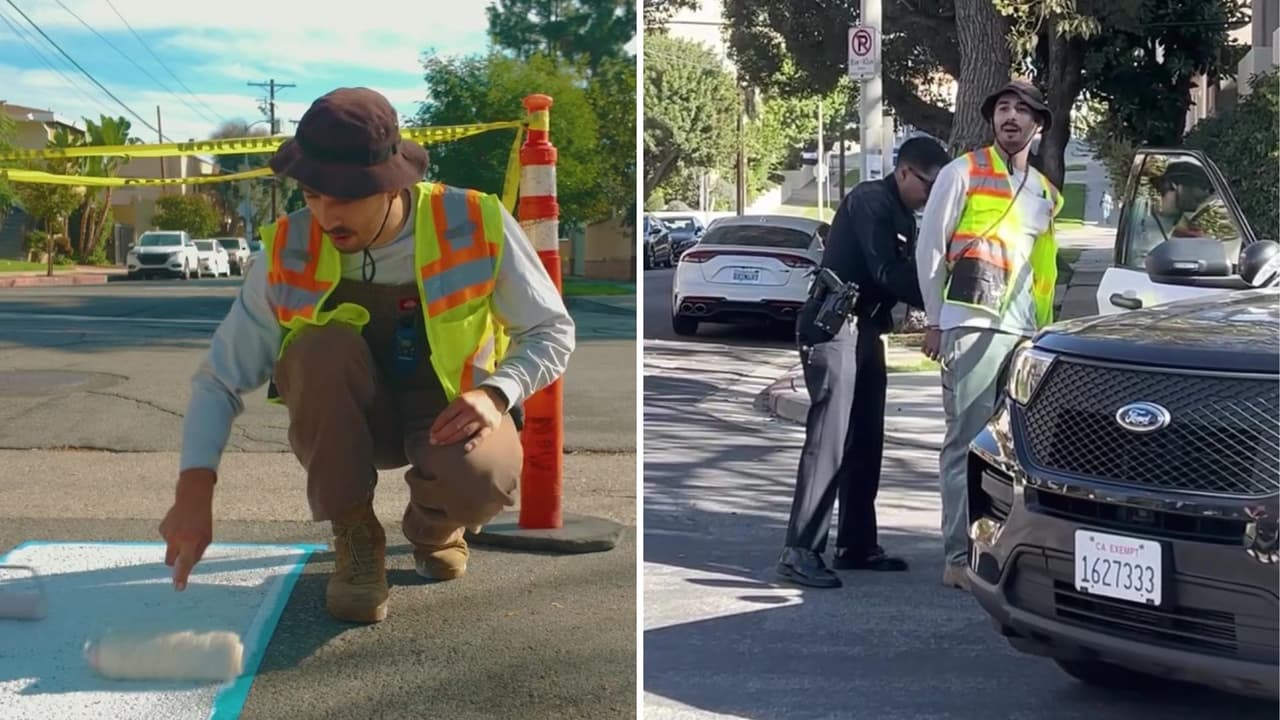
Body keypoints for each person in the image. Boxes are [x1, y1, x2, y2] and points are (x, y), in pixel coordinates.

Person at [157, 87, 576, 623]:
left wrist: (498, 393)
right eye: (312, 193)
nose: (326, 214)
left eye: (346, 195)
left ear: (393, 182)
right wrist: (194, 489)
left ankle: (432, 524)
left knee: (483, 481)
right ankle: (355, 535)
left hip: (449, 411)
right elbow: (219, 378)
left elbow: (550, 330)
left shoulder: (474, 221)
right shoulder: (289, 246)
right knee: (317, 348)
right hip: (349, 419)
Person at [776, 136, 951, 589]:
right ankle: (799, 550)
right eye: (929, 185)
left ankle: (856, 543)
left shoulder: (905, 213)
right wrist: (944, 304)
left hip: (865, 330)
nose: (932, 195)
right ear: (905, 172)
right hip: (833, 327)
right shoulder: (870, 200)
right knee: (829, 440)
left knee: (866, 438)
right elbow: (887, 274)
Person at [915, 80, 1063, 591]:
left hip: (1023, 333)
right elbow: (929, 248)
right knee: (966, 444)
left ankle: (999, 546)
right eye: (1003, 108)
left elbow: (1042, 270)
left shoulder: (1045, 193)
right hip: (972, 325)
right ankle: (958, 557)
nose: (1011, 117)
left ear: (1038, 126)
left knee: (1012, 451)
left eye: (1023, 111)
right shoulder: (964, 172)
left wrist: (1042, 334)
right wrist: (934, 319)